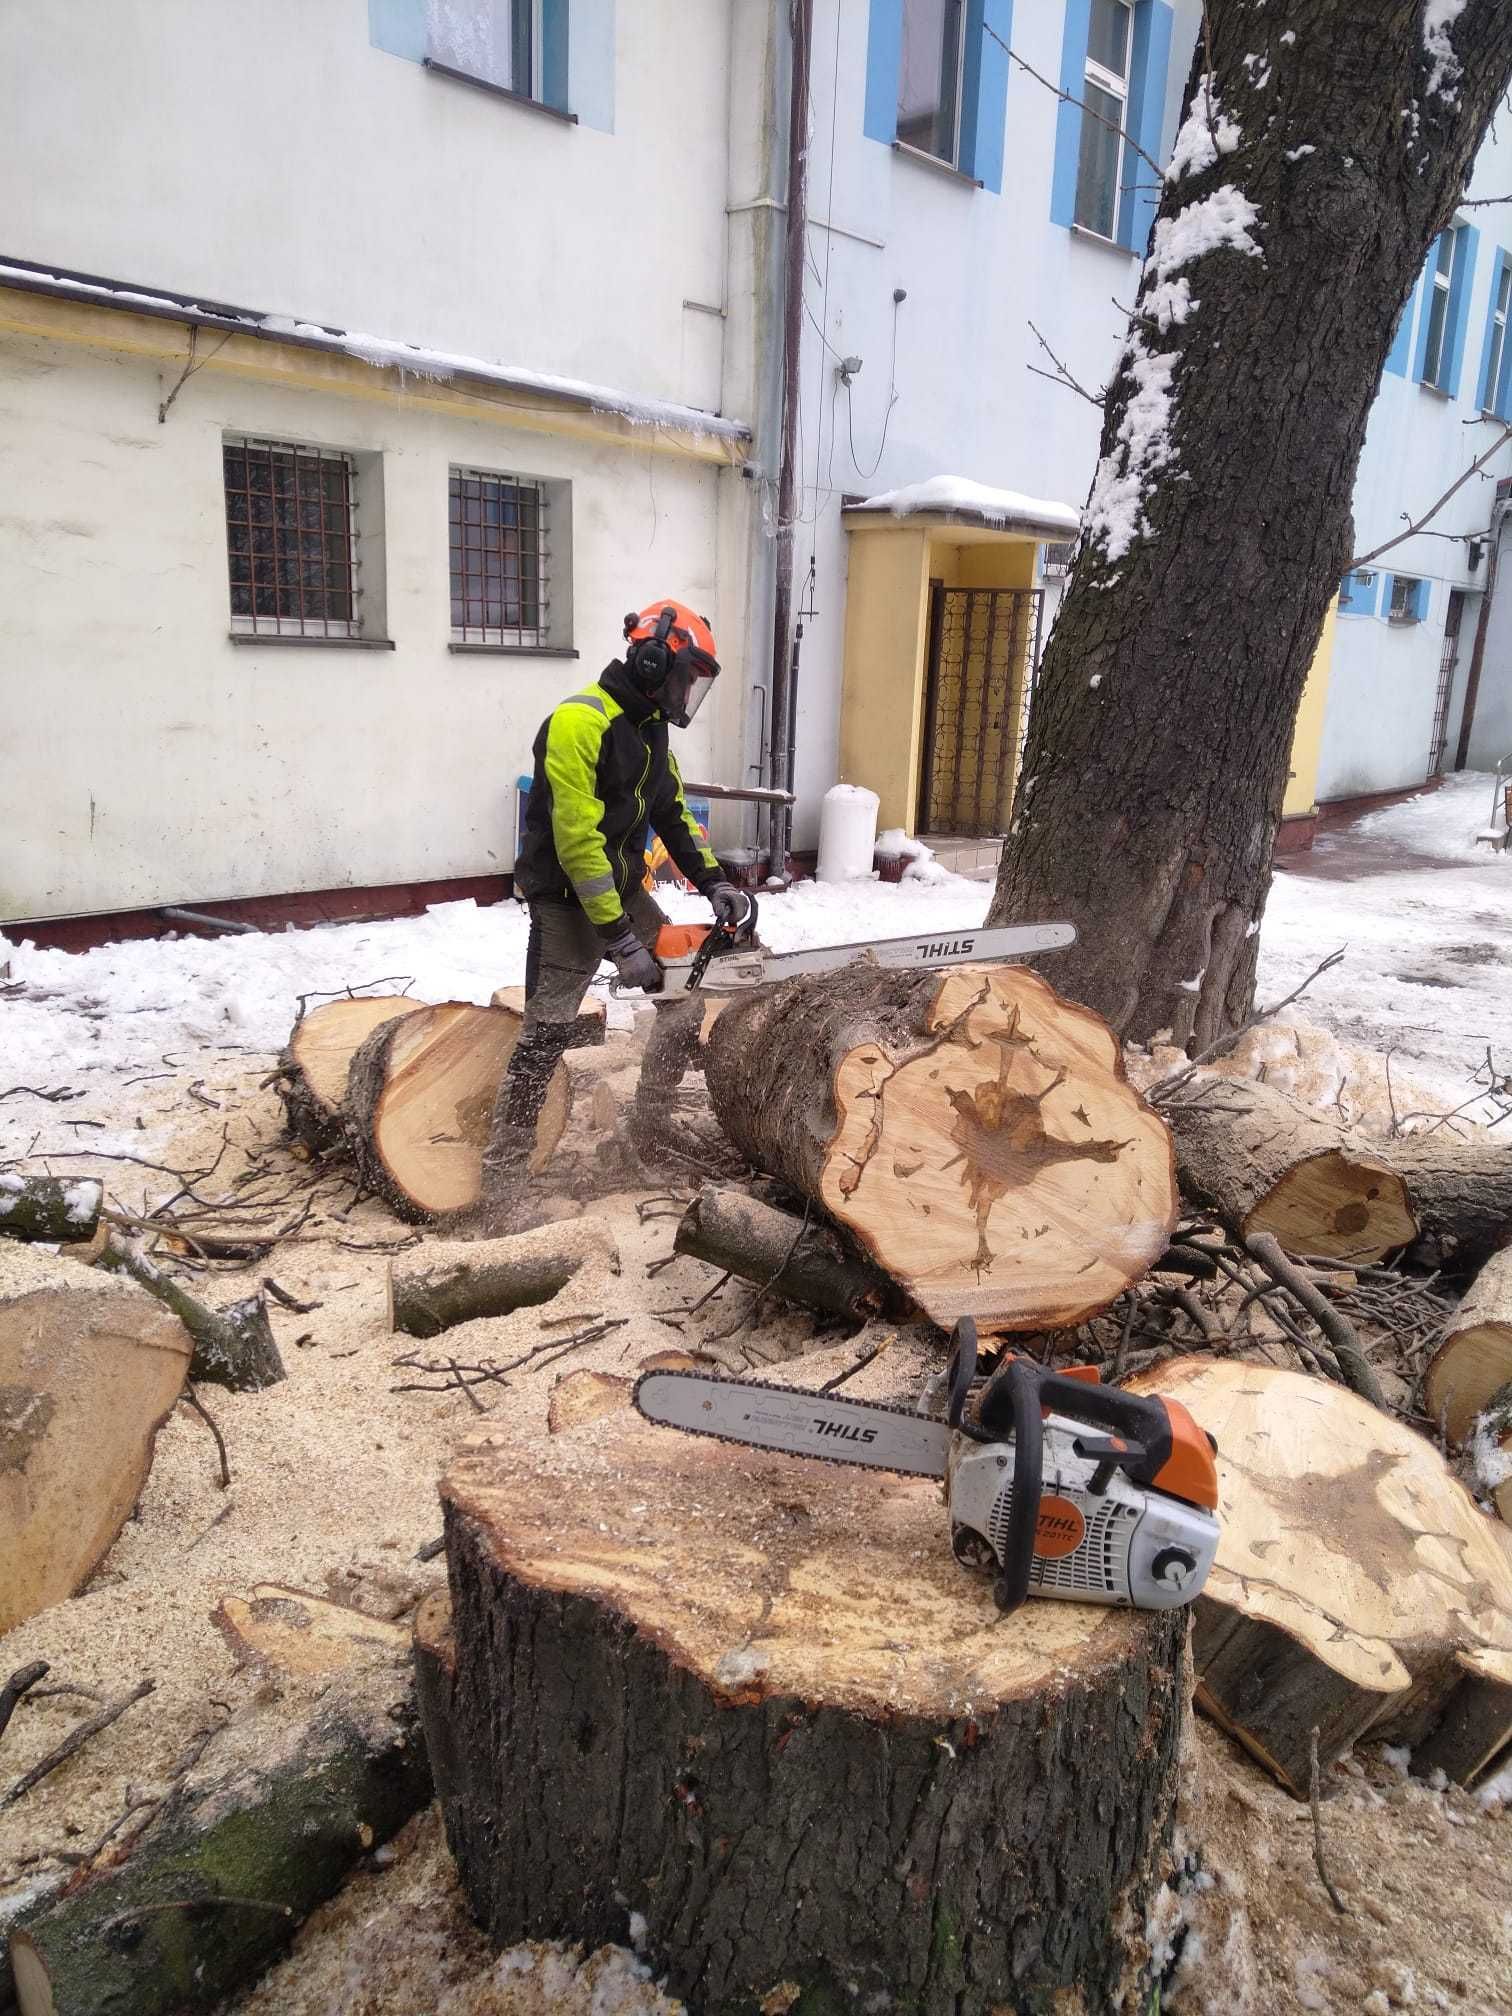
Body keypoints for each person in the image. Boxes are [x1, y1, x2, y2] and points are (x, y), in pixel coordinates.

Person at [465, 600, 745, 1233]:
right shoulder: (578, 722)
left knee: (685, 997)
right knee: (543, 1038)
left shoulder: (650, 729)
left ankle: (646, 1132)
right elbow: (577, 843)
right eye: (684, 675)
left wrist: (715, 882)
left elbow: (673, 813)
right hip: (567, 898)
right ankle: (501, 1186)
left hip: (619, 890)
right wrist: (621, 940)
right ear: (653, 659)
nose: (685, 692)